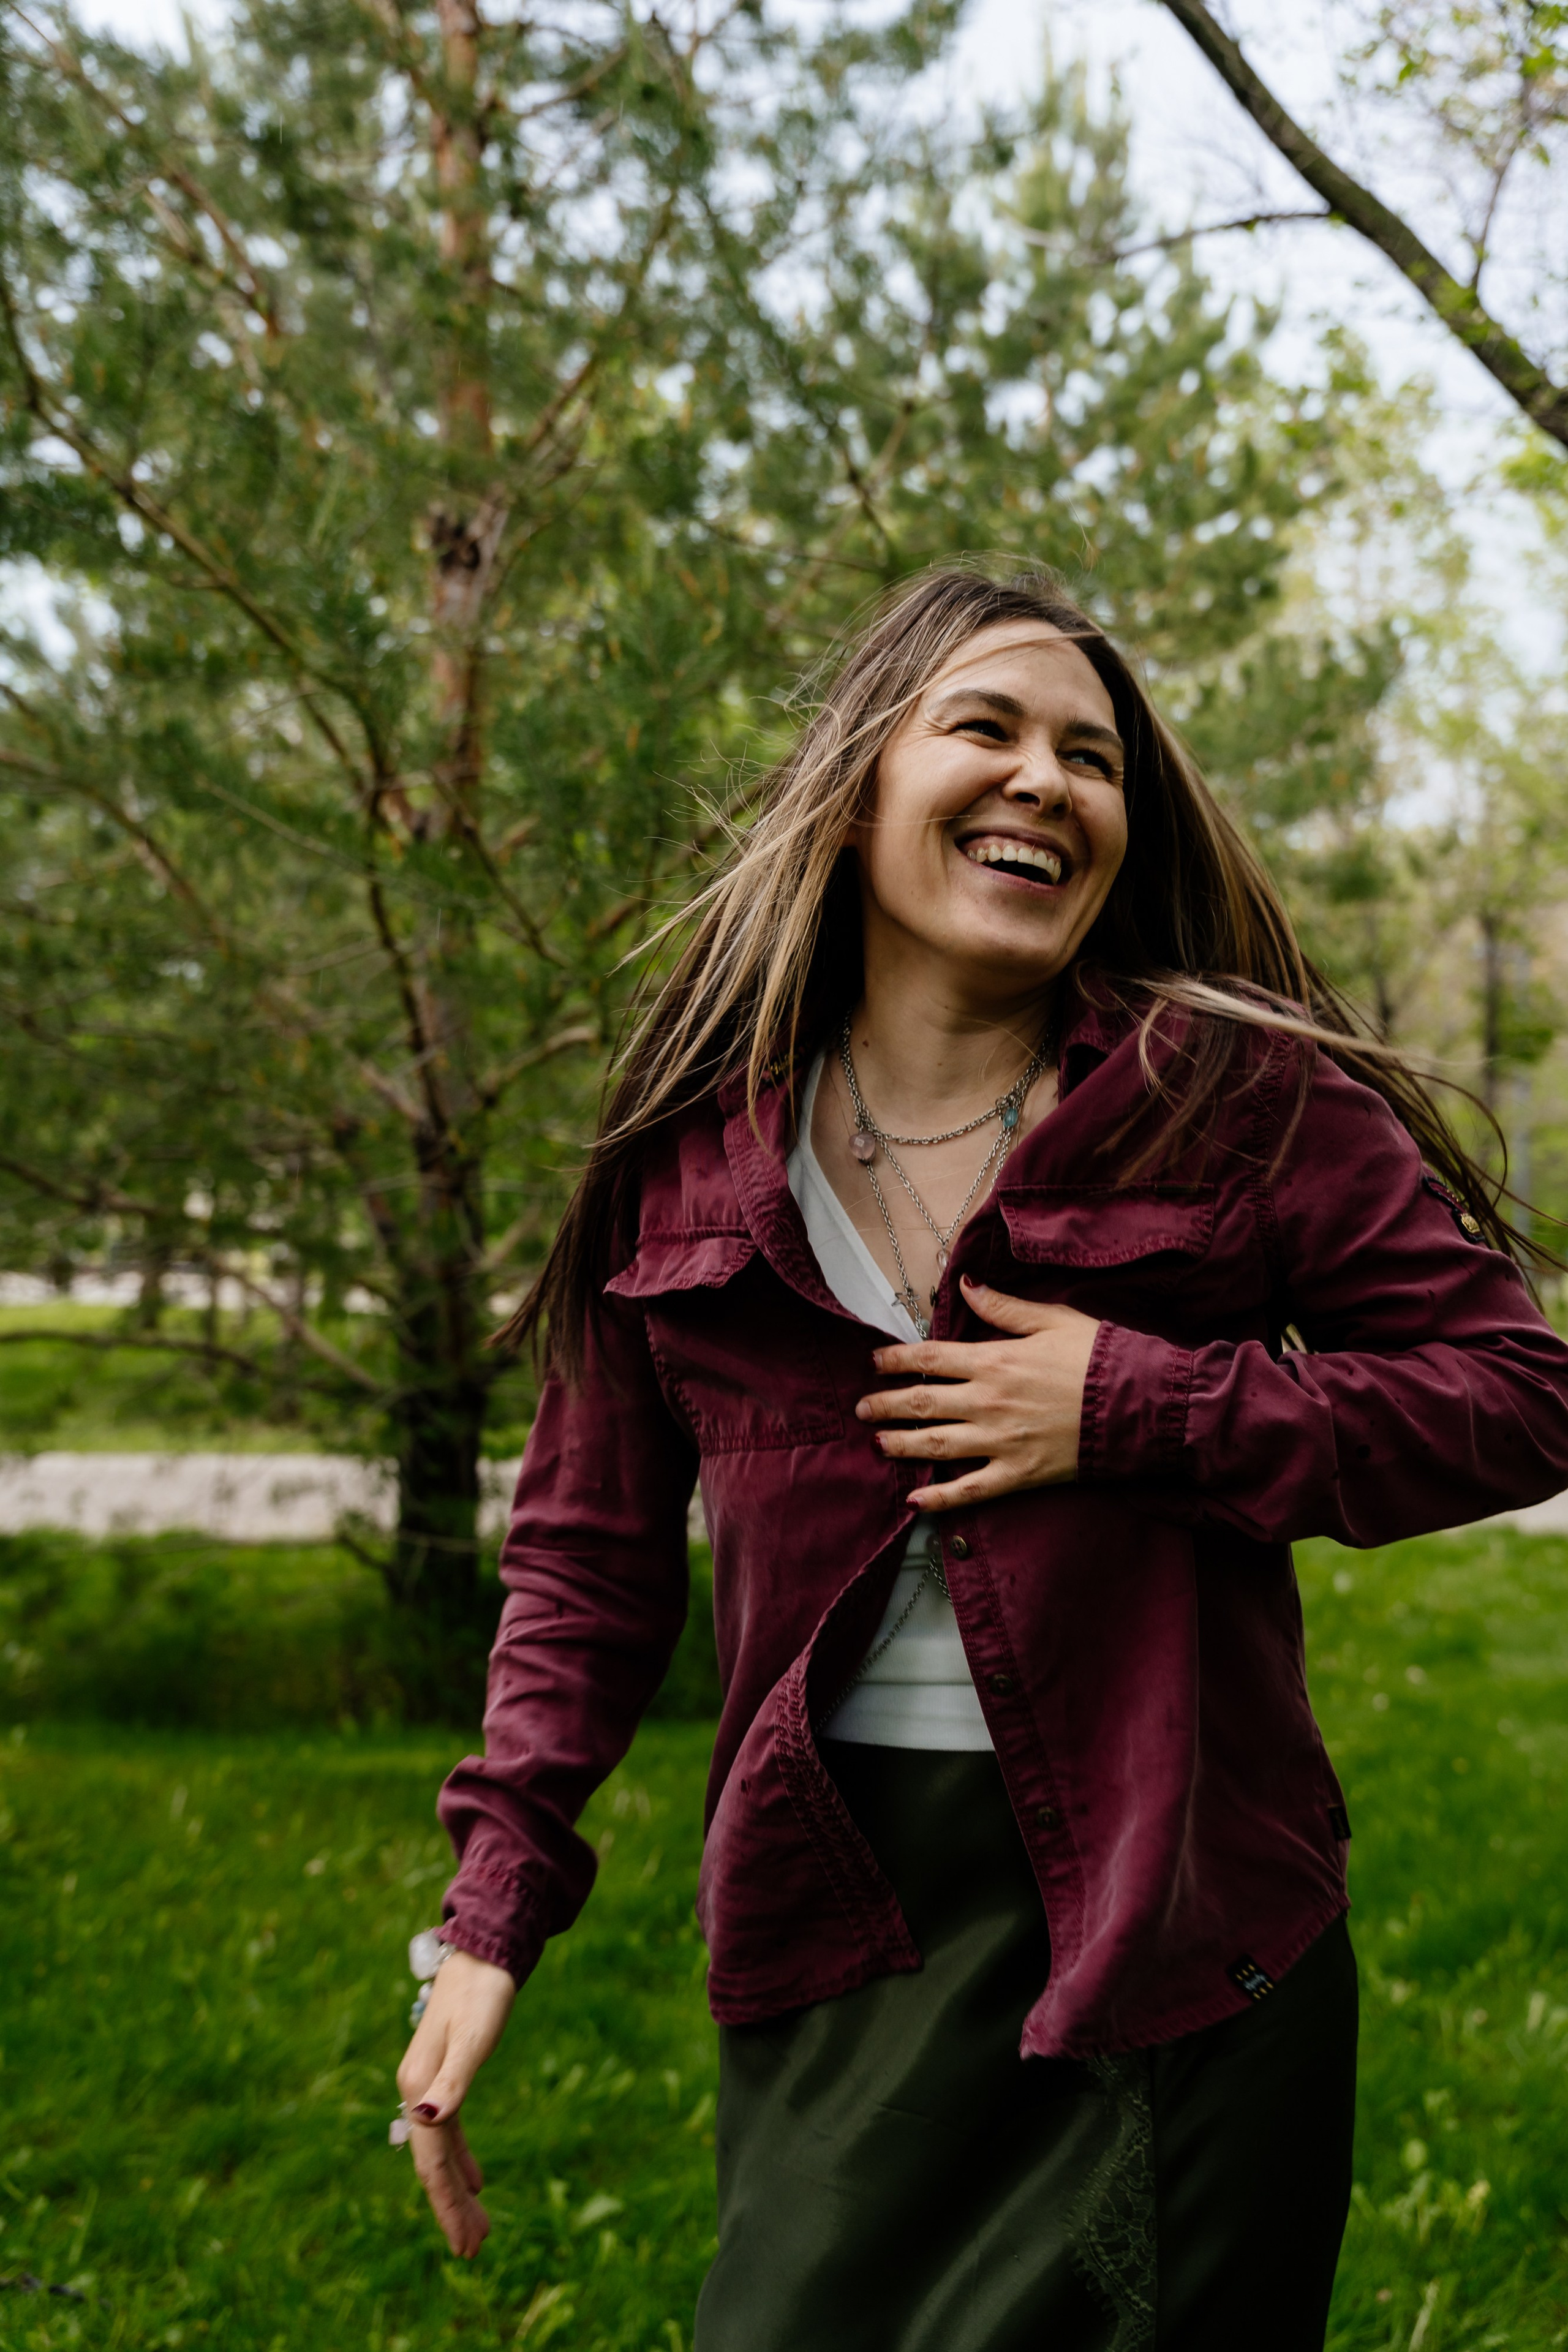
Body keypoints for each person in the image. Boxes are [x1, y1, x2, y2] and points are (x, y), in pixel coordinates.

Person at [393, 564, 1568, 2350]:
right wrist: (493, 1915)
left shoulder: (1234, 1099)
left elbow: (1517, 1392)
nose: (1047, 782)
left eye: (1093, 759)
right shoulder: (688, 1155)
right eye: (988, 729)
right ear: (861, 783)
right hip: (840, 1912)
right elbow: (587, 1564)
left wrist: (1141, 1405)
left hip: (1179, 1917)